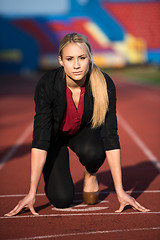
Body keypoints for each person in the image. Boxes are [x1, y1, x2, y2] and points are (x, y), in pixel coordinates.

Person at [5, 33, 150, 216]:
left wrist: (120, 191)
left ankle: (90, 174)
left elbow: (110, 135)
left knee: (94, 151)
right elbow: (41, 138)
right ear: (60, 61)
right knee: (61, 200)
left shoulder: (104, 83)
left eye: (82, 58)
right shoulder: (48, 84)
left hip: (83, 133)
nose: (76, 65)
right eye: (69, 59)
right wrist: (31, 192)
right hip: (55, 139)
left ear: (89, 57)